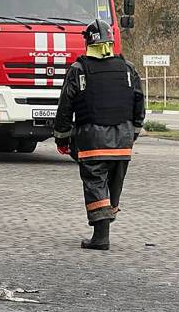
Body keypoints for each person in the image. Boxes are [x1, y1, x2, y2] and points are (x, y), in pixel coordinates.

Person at [53, 19, 145, 250]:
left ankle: (101, 236)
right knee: (114, 184)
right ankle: (105, 225)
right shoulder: (128, 68)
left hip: (93, 138)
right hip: (123, 140)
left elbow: (66, 106)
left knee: (95, 182)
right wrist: (133, 132)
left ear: (88, 42)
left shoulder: (79, 69)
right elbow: (138, 102)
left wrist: (62, 137)